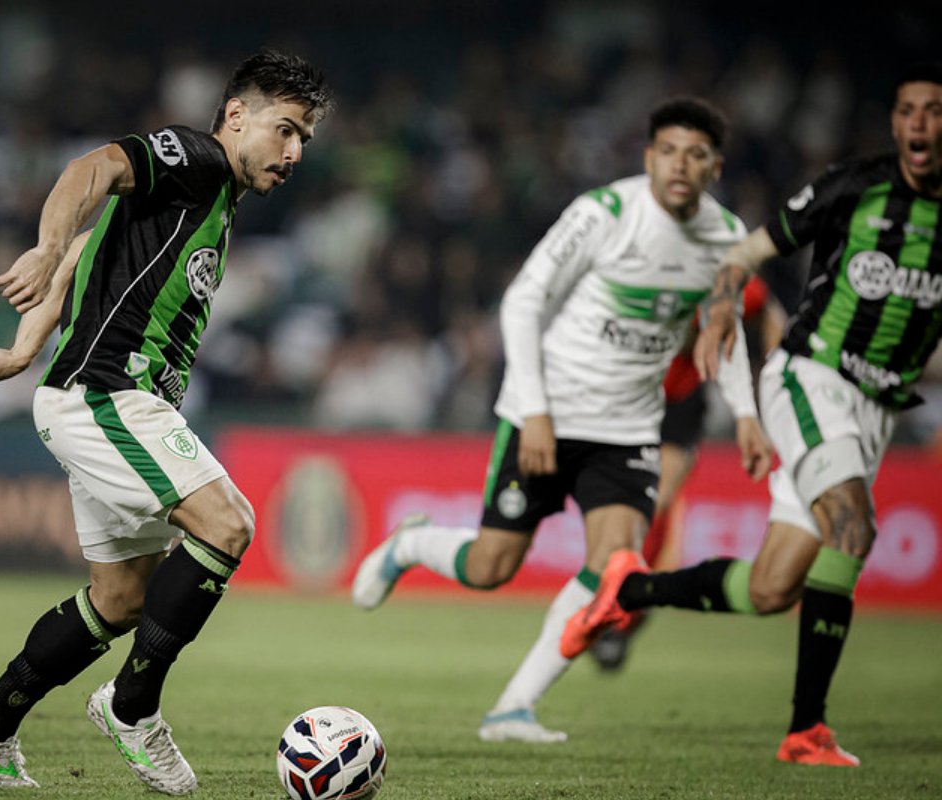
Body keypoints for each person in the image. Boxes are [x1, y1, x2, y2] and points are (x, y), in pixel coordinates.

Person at [0, 49, 332, 794]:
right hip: (108, 396)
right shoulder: (198, 160)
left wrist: (23, 350)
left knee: (120, 601)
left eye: (303, 138)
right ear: (236, 116)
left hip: (98, 398)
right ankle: (131, 707)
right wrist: (45, 243)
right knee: (228, 524)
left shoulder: (213, 202)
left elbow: (84, 255)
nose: (295, 152)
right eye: (285, 129)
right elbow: (92, 169)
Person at [350, 97, 772, 743]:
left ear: (715, 167)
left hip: (629, 428)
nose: (679, 166)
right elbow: (523, 299)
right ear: (648, 157)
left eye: (696, 155)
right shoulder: (604, 214)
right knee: (491, 567)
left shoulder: (726, 238)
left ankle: (511, 710)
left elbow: (726, 327)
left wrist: (745, 413)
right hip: (549, 410)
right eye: (668, 151)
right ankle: (412, 544)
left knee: (614, 567)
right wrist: (536, 412)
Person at [562, 61, 942, 767]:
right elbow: (745, 252)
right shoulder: (855, 187)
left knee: (770, 588)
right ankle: (807, 731)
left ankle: (628, 589)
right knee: (852, 526)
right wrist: (720, 310)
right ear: (894, 122)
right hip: (813, 378)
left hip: (878, 409)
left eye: (934, 110)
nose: (919, 123)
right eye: (907, 109)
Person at [589, 276, 785, 670]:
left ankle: (623, 614)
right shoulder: (624, 276)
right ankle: (625, 600)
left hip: (679, 404)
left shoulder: (715, 278)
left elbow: (769, 312)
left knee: (654, 502)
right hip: (624, 399)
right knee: (621, 513)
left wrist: (776, 380)